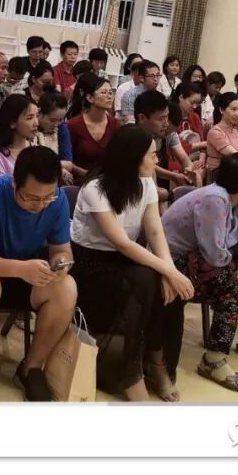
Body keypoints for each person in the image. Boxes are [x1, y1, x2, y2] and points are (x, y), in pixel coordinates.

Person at [69, 125, 194, 401]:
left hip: (127, 260)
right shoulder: (95, 188)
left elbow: (155, 231)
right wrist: (166, 270)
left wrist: (170, 272)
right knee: (146, 283)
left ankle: (158, 364)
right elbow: (122, 243)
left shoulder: (146, 182)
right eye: (152, 155)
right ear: (132, 158)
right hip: (91, 265)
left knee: (168, 286)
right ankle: (132, 373)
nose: (157, 160)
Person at [0, 146, 77, 401]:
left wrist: (60, 265)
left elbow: (62, 250)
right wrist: (21, 269)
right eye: (31, 198)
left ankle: (32, 367)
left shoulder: (58, 200)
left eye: (47, 198)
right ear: (14, 183)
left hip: (27, 271)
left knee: (67, 288)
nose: (40, 205)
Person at [162, 152, 238, 392]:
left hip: (200, 259)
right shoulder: (214, 200)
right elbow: (214, 255)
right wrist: (235, 265)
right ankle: (213, 359)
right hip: (172, 264)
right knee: (235, 282)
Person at [135, 90, 203, 195]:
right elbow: (149, 168)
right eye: (161, 119)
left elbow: (184, 159)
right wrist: (173, 177)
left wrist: (189, 171)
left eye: (167, 117)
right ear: (142, 118)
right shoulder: (132, 138)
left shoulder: (170, 134)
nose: (166, 124)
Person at [66, 73, 121, 180]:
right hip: (79, 180)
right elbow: (67, 160)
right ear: (90, 98)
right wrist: (88, 175)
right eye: (103, 92)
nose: (109, 96)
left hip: (106, 181)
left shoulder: (116, 125)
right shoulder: (73, 125)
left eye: (110, 93)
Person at [0, 94, 39, 180]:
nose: (36, 123)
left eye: (37, 116)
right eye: (29, 118)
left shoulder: (36, 150)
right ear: (12, 123)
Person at [35, 90, 79, 183]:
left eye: (60, 120)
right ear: (39, 113)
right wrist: (58, 167)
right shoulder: (31, 129)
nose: (56, 124)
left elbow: (68, 164)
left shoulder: (61, 127)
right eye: (52, 120)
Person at [206, 92, 238, 176]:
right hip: (221, 175)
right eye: (233, 109)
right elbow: (235, 156)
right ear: (221, 110)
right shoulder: (215, 132)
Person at [168, 82, 208, 170]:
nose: (195, 106)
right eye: (192, 102)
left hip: (195, 158)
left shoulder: (195, 117)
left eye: (197, 103)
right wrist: (202, 144)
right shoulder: (170, 118)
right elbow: (175, 147)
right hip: (175, 160)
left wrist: (201, 160)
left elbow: (204, 143)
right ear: (181, 97)